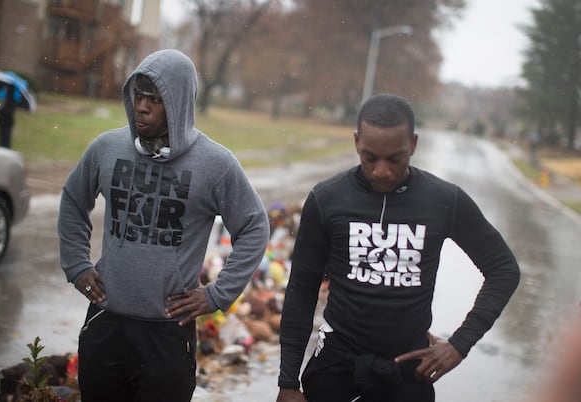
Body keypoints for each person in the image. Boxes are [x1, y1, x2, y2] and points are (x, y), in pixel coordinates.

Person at [276, 94, 520, 402]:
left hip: (407, 373)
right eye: (369, 158)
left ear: (413, 145)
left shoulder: (444, 200)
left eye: (395, 159)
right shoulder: (327, 199)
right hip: (337, 366)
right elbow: (302, 289)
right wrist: (287, 381)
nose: (381, 171)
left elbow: (503, 269)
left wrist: (460, 344)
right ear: (356, 142)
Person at [57, 49, 270, 402]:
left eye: (154, 99)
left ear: (178, 104)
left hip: (168, 334)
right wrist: (76, 264)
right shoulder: (107, 148)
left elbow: (253, 227)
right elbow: (73, 199)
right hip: (105, 324)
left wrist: (217, 295)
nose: (142, 106)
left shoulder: (215, 164)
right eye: (138, 95)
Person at [0, 83, 17, 148]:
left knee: (5, 139)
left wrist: (0, 110)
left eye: (6, 87)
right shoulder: (5, 99)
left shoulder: (11, 100)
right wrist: (0, 106)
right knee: (2, 138)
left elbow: (7, 111)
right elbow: (0, 106)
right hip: (3, 122)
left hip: (6, 123)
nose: (5, 89)